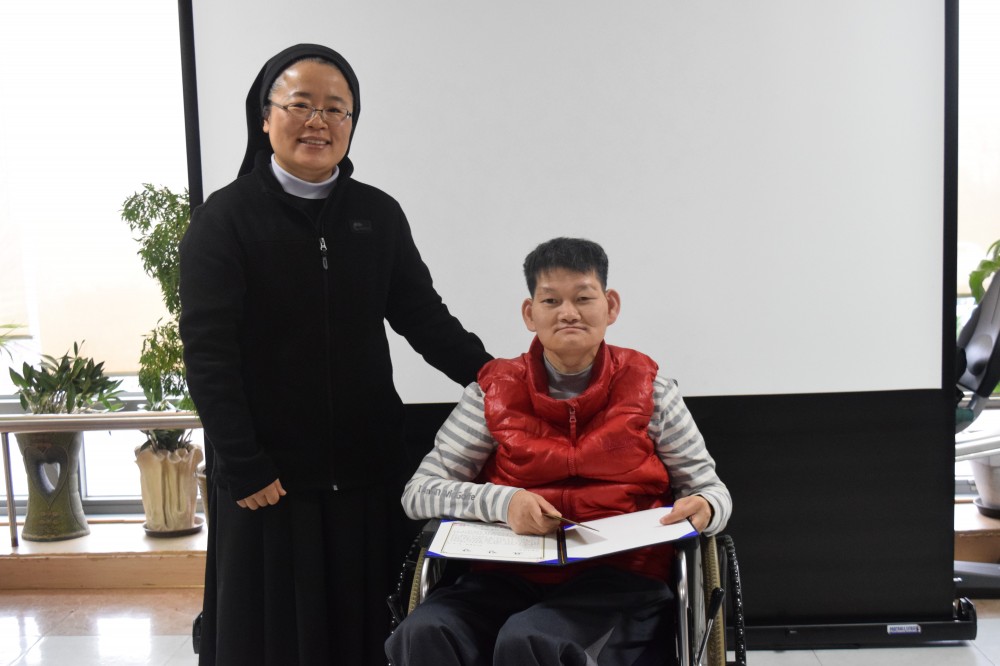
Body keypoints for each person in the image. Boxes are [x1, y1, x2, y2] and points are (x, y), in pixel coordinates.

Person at [178, 44, 491, 666]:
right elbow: (208, 355)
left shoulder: (377, 215)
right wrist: (243, 462)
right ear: (265, 116)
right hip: (271, 481)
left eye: (336, 108)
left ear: (352, 122)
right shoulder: (224, 220)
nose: (318, 121)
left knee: (369, 634)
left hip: (368, 470)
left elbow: (425, 320)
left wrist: (507, 380)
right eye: (301, 105)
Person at [385, 237, 732, 666]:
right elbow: (419, 492)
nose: (568, 312)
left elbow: (711, 491)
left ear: (610, 306)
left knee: (532, 639)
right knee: (424, 632)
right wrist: (504, 502)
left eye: (583, 298)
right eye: (551, 300)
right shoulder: (491, 392)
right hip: (508, 573)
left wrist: (705, 507)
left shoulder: (652, 390)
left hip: (620, 579)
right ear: (530, 313)